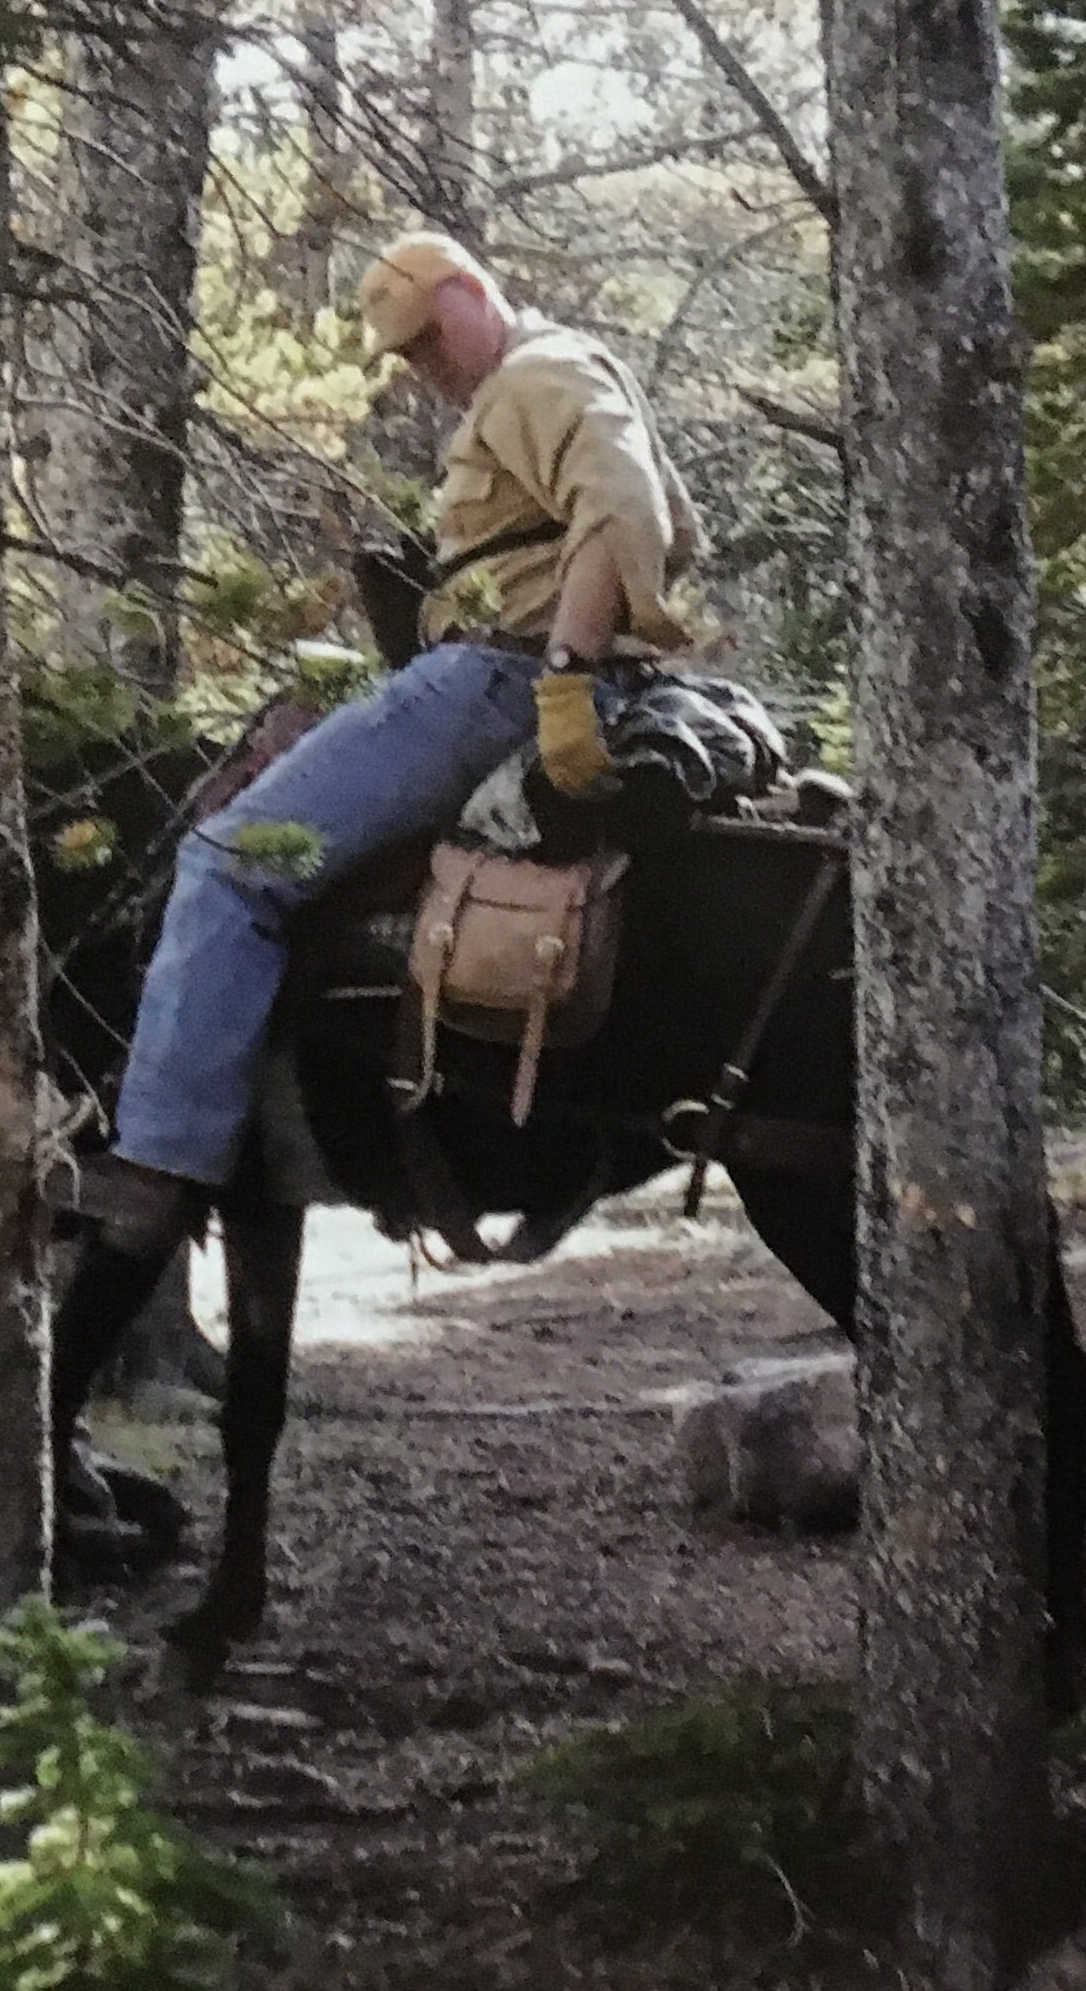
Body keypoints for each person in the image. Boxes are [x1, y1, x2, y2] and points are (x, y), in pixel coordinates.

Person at [72, 228, 704, 1260]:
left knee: (230, 862)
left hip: (495, 679)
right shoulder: (538, 381)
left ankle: (160, 1165)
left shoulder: (538, 371)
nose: (421, 368)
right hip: (509, 666)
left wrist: (564, 678)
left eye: (422, 339)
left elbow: (625, 508)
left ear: (467, 293)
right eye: (404, 354)